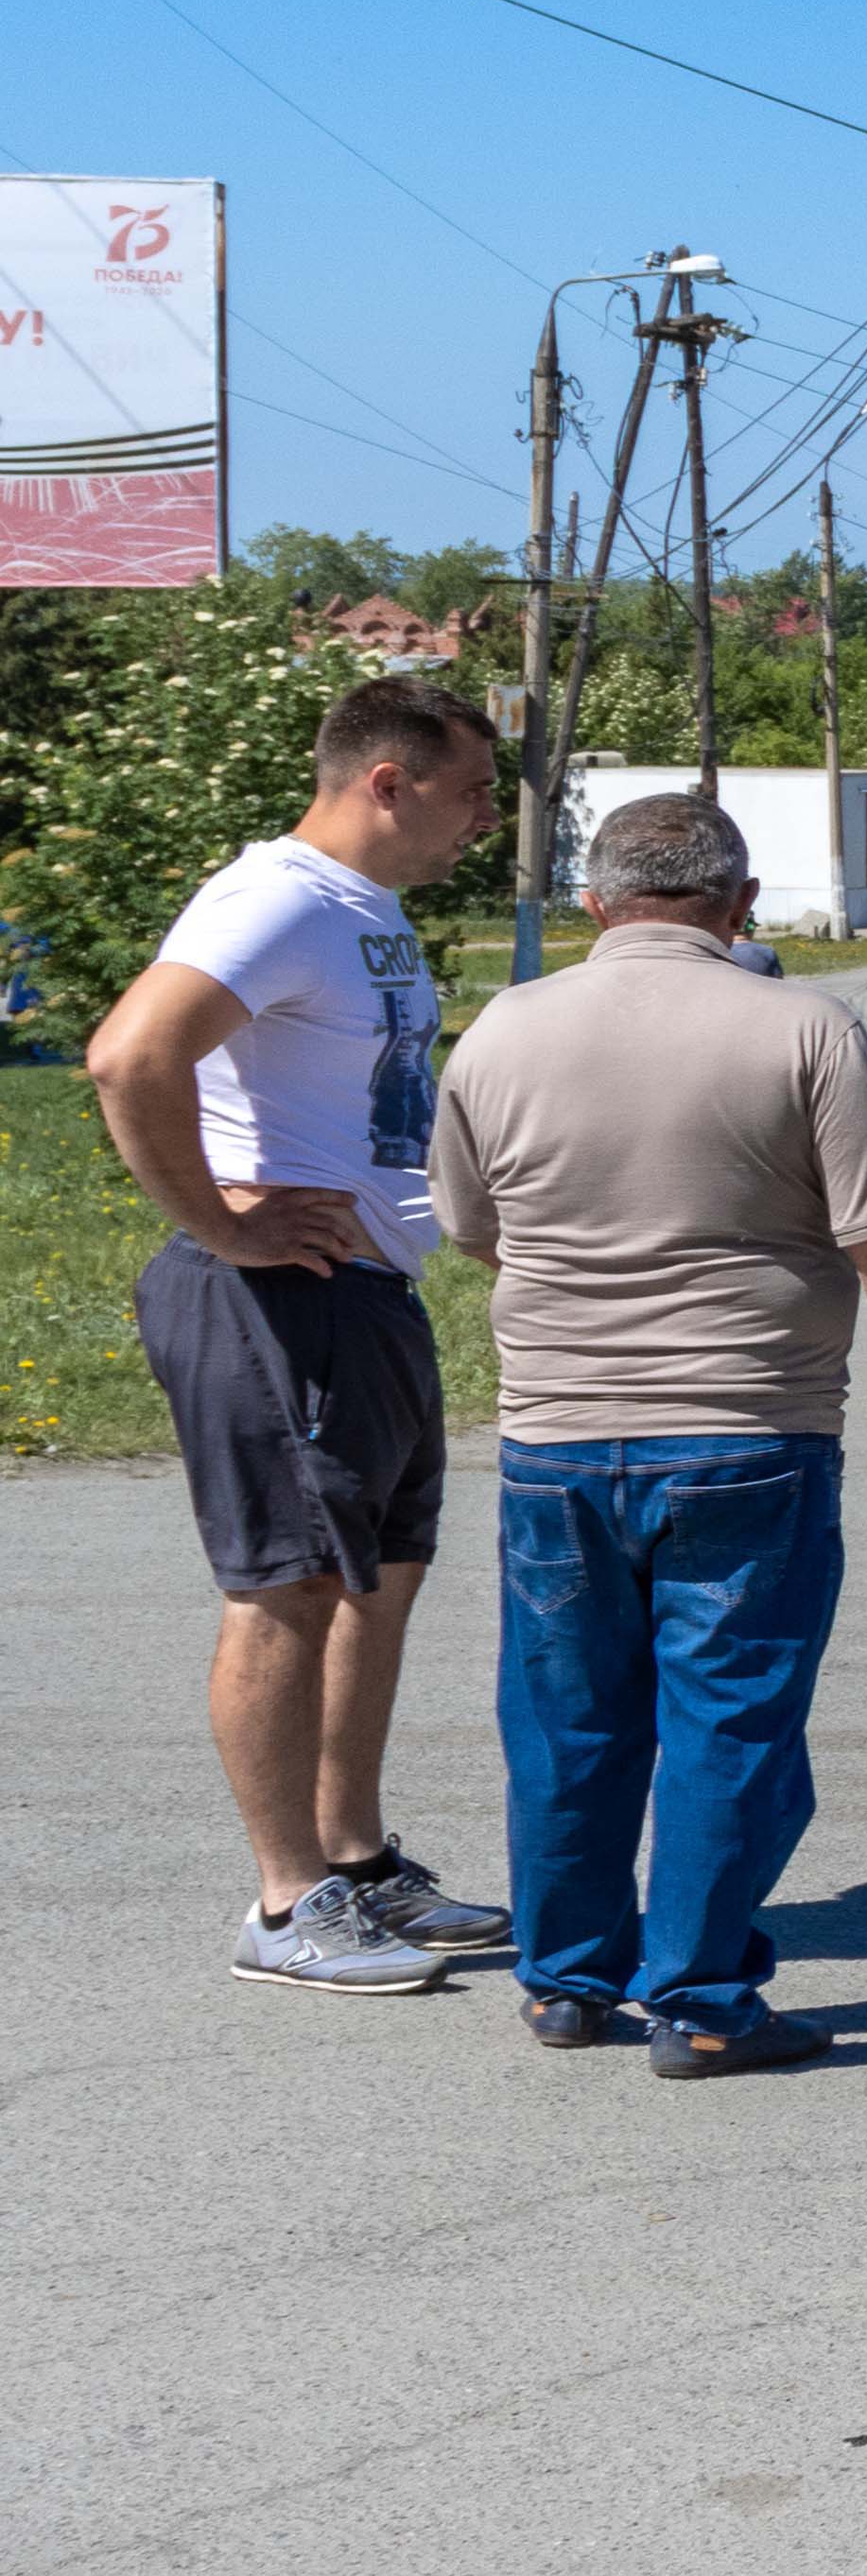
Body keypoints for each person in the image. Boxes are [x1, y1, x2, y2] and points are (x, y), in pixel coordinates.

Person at [428, 786, 867, 2075]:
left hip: (557, 1438)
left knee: (567, 1719)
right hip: (747, 1428)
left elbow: (468, 1227)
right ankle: (706, 2004)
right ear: (741, 907)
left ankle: (566, 1984)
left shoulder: (502, 1032)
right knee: (729, 1720)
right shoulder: (805, 1027)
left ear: (595, 904)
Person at [89, 674, 517, 1996]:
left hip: (361, 1292)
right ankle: (286, 1905)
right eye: (475, 792)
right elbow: (129, 1053)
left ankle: (354, 1860)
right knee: (287, 1586)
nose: (488, 821)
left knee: (373, 1576)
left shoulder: (364, 911)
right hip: (278, 1298)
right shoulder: (275, 895)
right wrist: (222, 1224)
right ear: (388, 781)